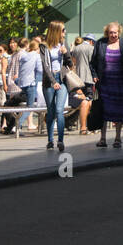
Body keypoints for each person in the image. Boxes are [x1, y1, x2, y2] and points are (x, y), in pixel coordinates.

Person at [92, 22, 123, 149]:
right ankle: (102, 139)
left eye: (115, 32)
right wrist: (94, 75)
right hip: (104, 83)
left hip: (122, 83)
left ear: (119, 32)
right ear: (107, 32)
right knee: (103, 110)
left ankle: (118, 138)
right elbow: (93, 62)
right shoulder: (100, 44)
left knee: (119, 111)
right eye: (111, 32)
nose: (113, 35)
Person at [41, 21, 73, 152]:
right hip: (49, 81)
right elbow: (45, 66)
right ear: (56, 31)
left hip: (62, 79)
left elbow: (70, 64)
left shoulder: (63, 44)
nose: (65, 32)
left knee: (60, 110)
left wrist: (66, 53)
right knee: (51, 111)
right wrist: (53, 81)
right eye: (63, 30)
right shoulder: (44, 46)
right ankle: (50, 140)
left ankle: (60, 140)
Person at [69, 36, 94, 134]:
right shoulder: (91, 48)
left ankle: (80, 124)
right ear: (91, 41)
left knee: (82, 101)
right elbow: (92, 63)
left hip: (77, 78)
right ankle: (86, 125)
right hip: (88, 78)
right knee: (88, 100)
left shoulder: (76, 48)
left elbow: (72, 63)